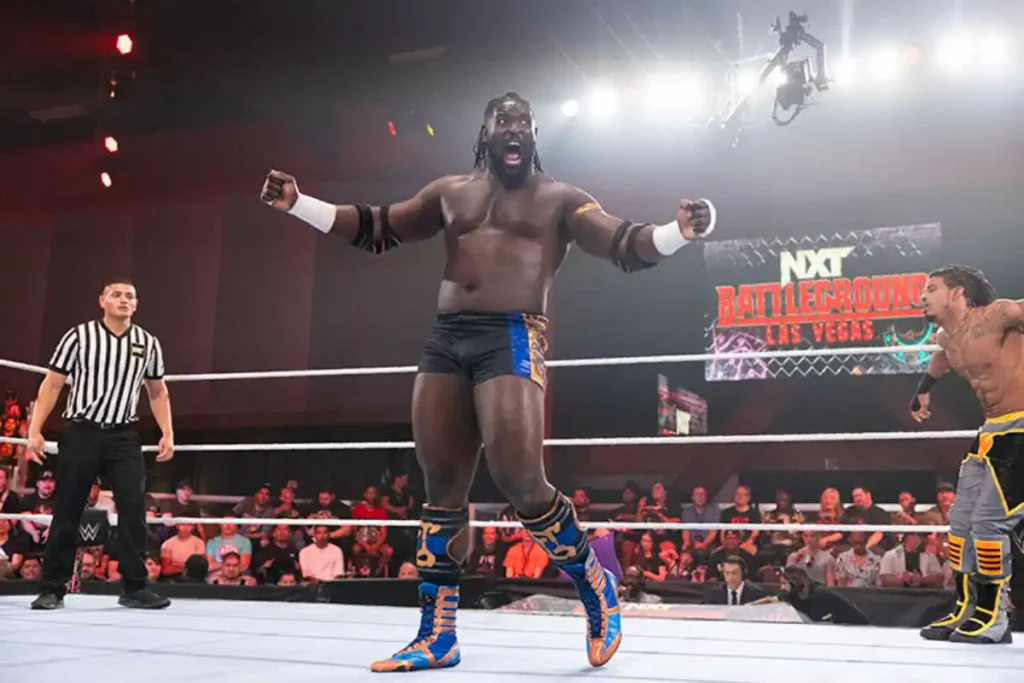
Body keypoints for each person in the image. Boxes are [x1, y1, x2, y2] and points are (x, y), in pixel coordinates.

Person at [261, 92, 716, 672]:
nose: (514, 128)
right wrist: (299, 204)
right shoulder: (449, 191)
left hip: (513, 333)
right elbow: (378, 228)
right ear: (485, 132)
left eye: (524, 121)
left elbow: (623, 243)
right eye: (504, 120)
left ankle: (594, 582)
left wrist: (679, 231)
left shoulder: (560, 198)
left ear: (535, 135)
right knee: (440, 486)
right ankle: (437, 636)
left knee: (520, 480)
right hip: (447, 337)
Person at [25, 279, 174, 611]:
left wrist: (168, 432)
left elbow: (157, 390)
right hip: (82, 431)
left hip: (124, 434)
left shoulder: (147, 342)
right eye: (116, 295)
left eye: (130, 296)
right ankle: (53, 588)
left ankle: (135, 587)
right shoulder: (79, 336)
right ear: (102, 301)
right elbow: (52, 385)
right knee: (68, 507)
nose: (123, 300)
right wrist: (34, 430)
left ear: (136, 304)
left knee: (134, 508)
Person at [913, 265, 1024, 644]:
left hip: (1022, 427)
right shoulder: (948, 336)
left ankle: (995, 616)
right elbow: (944, 357)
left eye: (932, 288)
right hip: (990, 431)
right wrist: (924, 388)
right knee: (960, 523)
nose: (923, 296)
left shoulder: (997, 315)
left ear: (958, 293)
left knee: (990, 523)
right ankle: (967, 607)